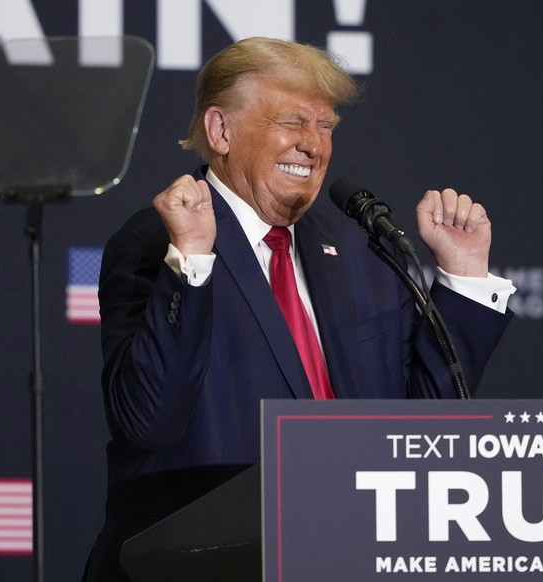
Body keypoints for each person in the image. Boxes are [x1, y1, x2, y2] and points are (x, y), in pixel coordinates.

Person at [82, 37, 514, 581]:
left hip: (341, 558)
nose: (313, 146)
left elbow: (420, 432)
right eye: (291, 122)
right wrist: (189, 262)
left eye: (325, 126)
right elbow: (147, 420)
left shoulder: (361, 251)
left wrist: (464, 276)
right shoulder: (157, 245)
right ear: (220, 131)